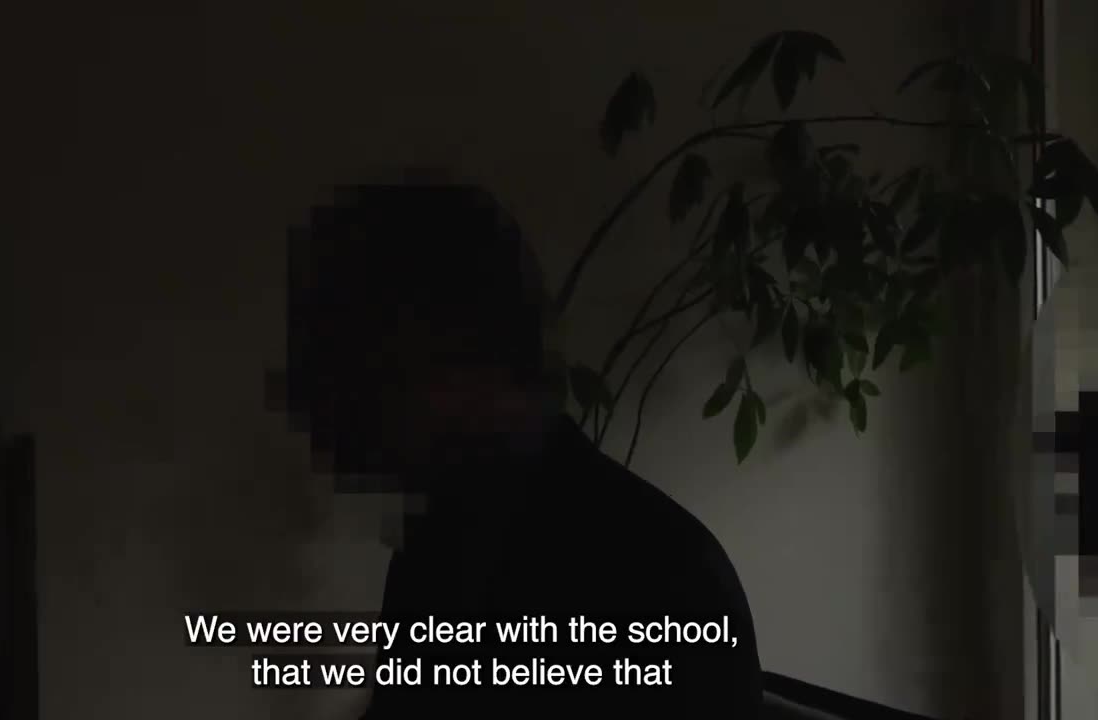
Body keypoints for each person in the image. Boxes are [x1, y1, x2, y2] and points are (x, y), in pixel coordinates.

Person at [284, 179, 762, 718]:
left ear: (466, 355)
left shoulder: (665, 582)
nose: (325, 415)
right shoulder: (435, 547)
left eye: (357, 367)